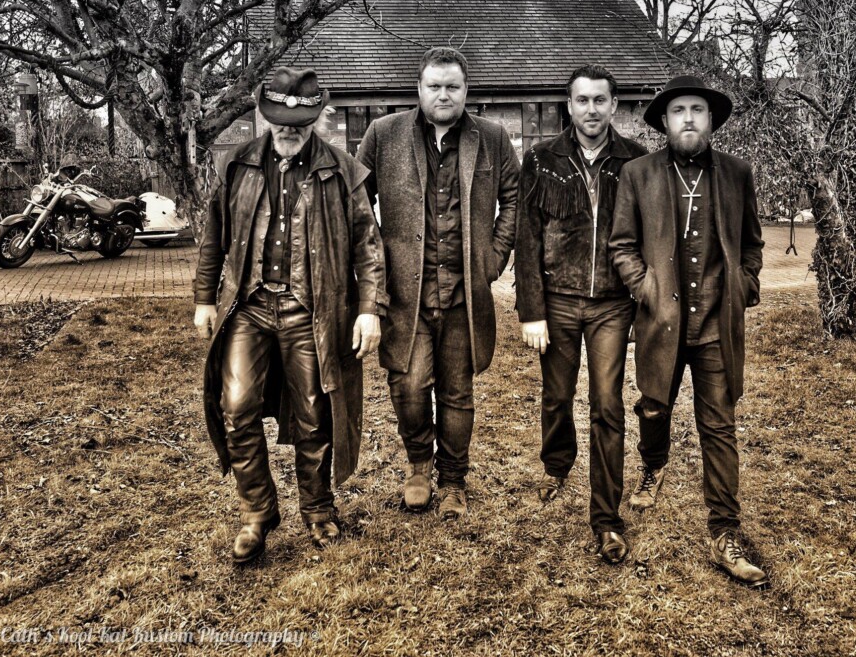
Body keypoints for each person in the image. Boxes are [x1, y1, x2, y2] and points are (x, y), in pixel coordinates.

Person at [193, 67, 388, 564]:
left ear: (316, 120)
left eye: (299, 122)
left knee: (313, 414)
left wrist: (369, 308)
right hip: (249, 307)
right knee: (235, 407)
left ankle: (318, 508)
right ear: (265, 116)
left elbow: (369, 246)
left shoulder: (342, 170)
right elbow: (214, 237)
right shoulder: (235, 166)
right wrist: (203, 299)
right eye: (279, 120)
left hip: (311, 311)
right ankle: (257, 513)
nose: (288, 130)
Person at [609, 75, 768, 587]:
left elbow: (751, 245)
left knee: (718, 428)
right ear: (665, 121)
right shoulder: (638, 174)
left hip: (717, 327)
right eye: (679, 110)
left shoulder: (737, 174)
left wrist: (742, 286)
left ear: (711, 118)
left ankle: (724, 532)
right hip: (661, 323)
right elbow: (622, 246)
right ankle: (653, 465)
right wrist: (646, 288)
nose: (689, 118)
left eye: (698, 109)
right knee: (653, 406)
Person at [357, 47, 519, 520]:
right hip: (405, 293)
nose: (444, 94)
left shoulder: (491, 138)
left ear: (465, 91)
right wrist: (376, 265)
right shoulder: (383, 134)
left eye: (453, 86)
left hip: (464, 292)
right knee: (408, 387)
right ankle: (417, 466)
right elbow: (356, 203)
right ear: (420, 89)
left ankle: (453, 482)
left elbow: (513, 198)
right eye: (435, 86)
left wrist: (492, 258)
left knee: (457, 391)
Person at [514, 65, 646, 564]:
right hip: (558, 301)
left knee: (607, 404)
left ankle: (606, 519)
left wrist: (644, 303)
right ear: (568, 106)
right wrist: (532, 310)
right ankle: (557, 462)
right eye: (582, 100)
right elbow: (527, 237)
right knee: (557, 395)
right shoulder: (542, 159)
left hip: (613, 304)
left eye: (600, 100)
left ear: (614, 105)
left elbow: (648, 238)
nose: (591, 109)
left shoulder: (635, 161)